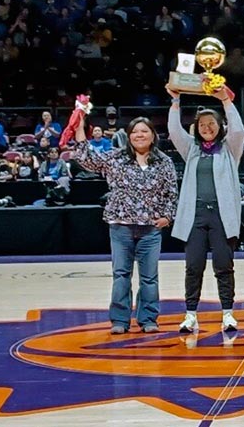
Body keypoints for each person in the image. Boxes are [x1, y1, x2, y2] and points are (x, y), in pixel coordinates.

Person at [74, 116, 178, 334]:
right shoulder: (116, 157)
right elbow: (87, 158)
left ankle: (148, 319)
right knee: (121, 274)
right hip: (120, 226)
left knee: (149, 277)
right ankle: (120, 320)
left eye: (144, 131)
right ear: (129, 136)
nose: (139, 135)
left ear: (153, 135)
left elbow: (172, 193)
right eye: (135, 132)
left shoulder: (164, 161)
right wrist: (80, 127)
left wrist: (168, 217)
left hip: (150, 228)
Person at [167, 85, 244, 333]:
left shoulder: (230, 149)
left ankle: (228, 314)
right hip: (195, 216)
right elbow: (173, 130)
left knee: (224, 266)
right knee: (193, 266)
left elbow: (239, 130)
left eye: (212, 124)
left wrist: (225, 101)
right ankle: (190, 315)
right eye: (202, 125)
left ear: (220, 126)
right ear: (196, 129)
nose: (207, 128)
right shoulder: (190, 149)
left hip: (222, 216)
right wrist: (176, 101)